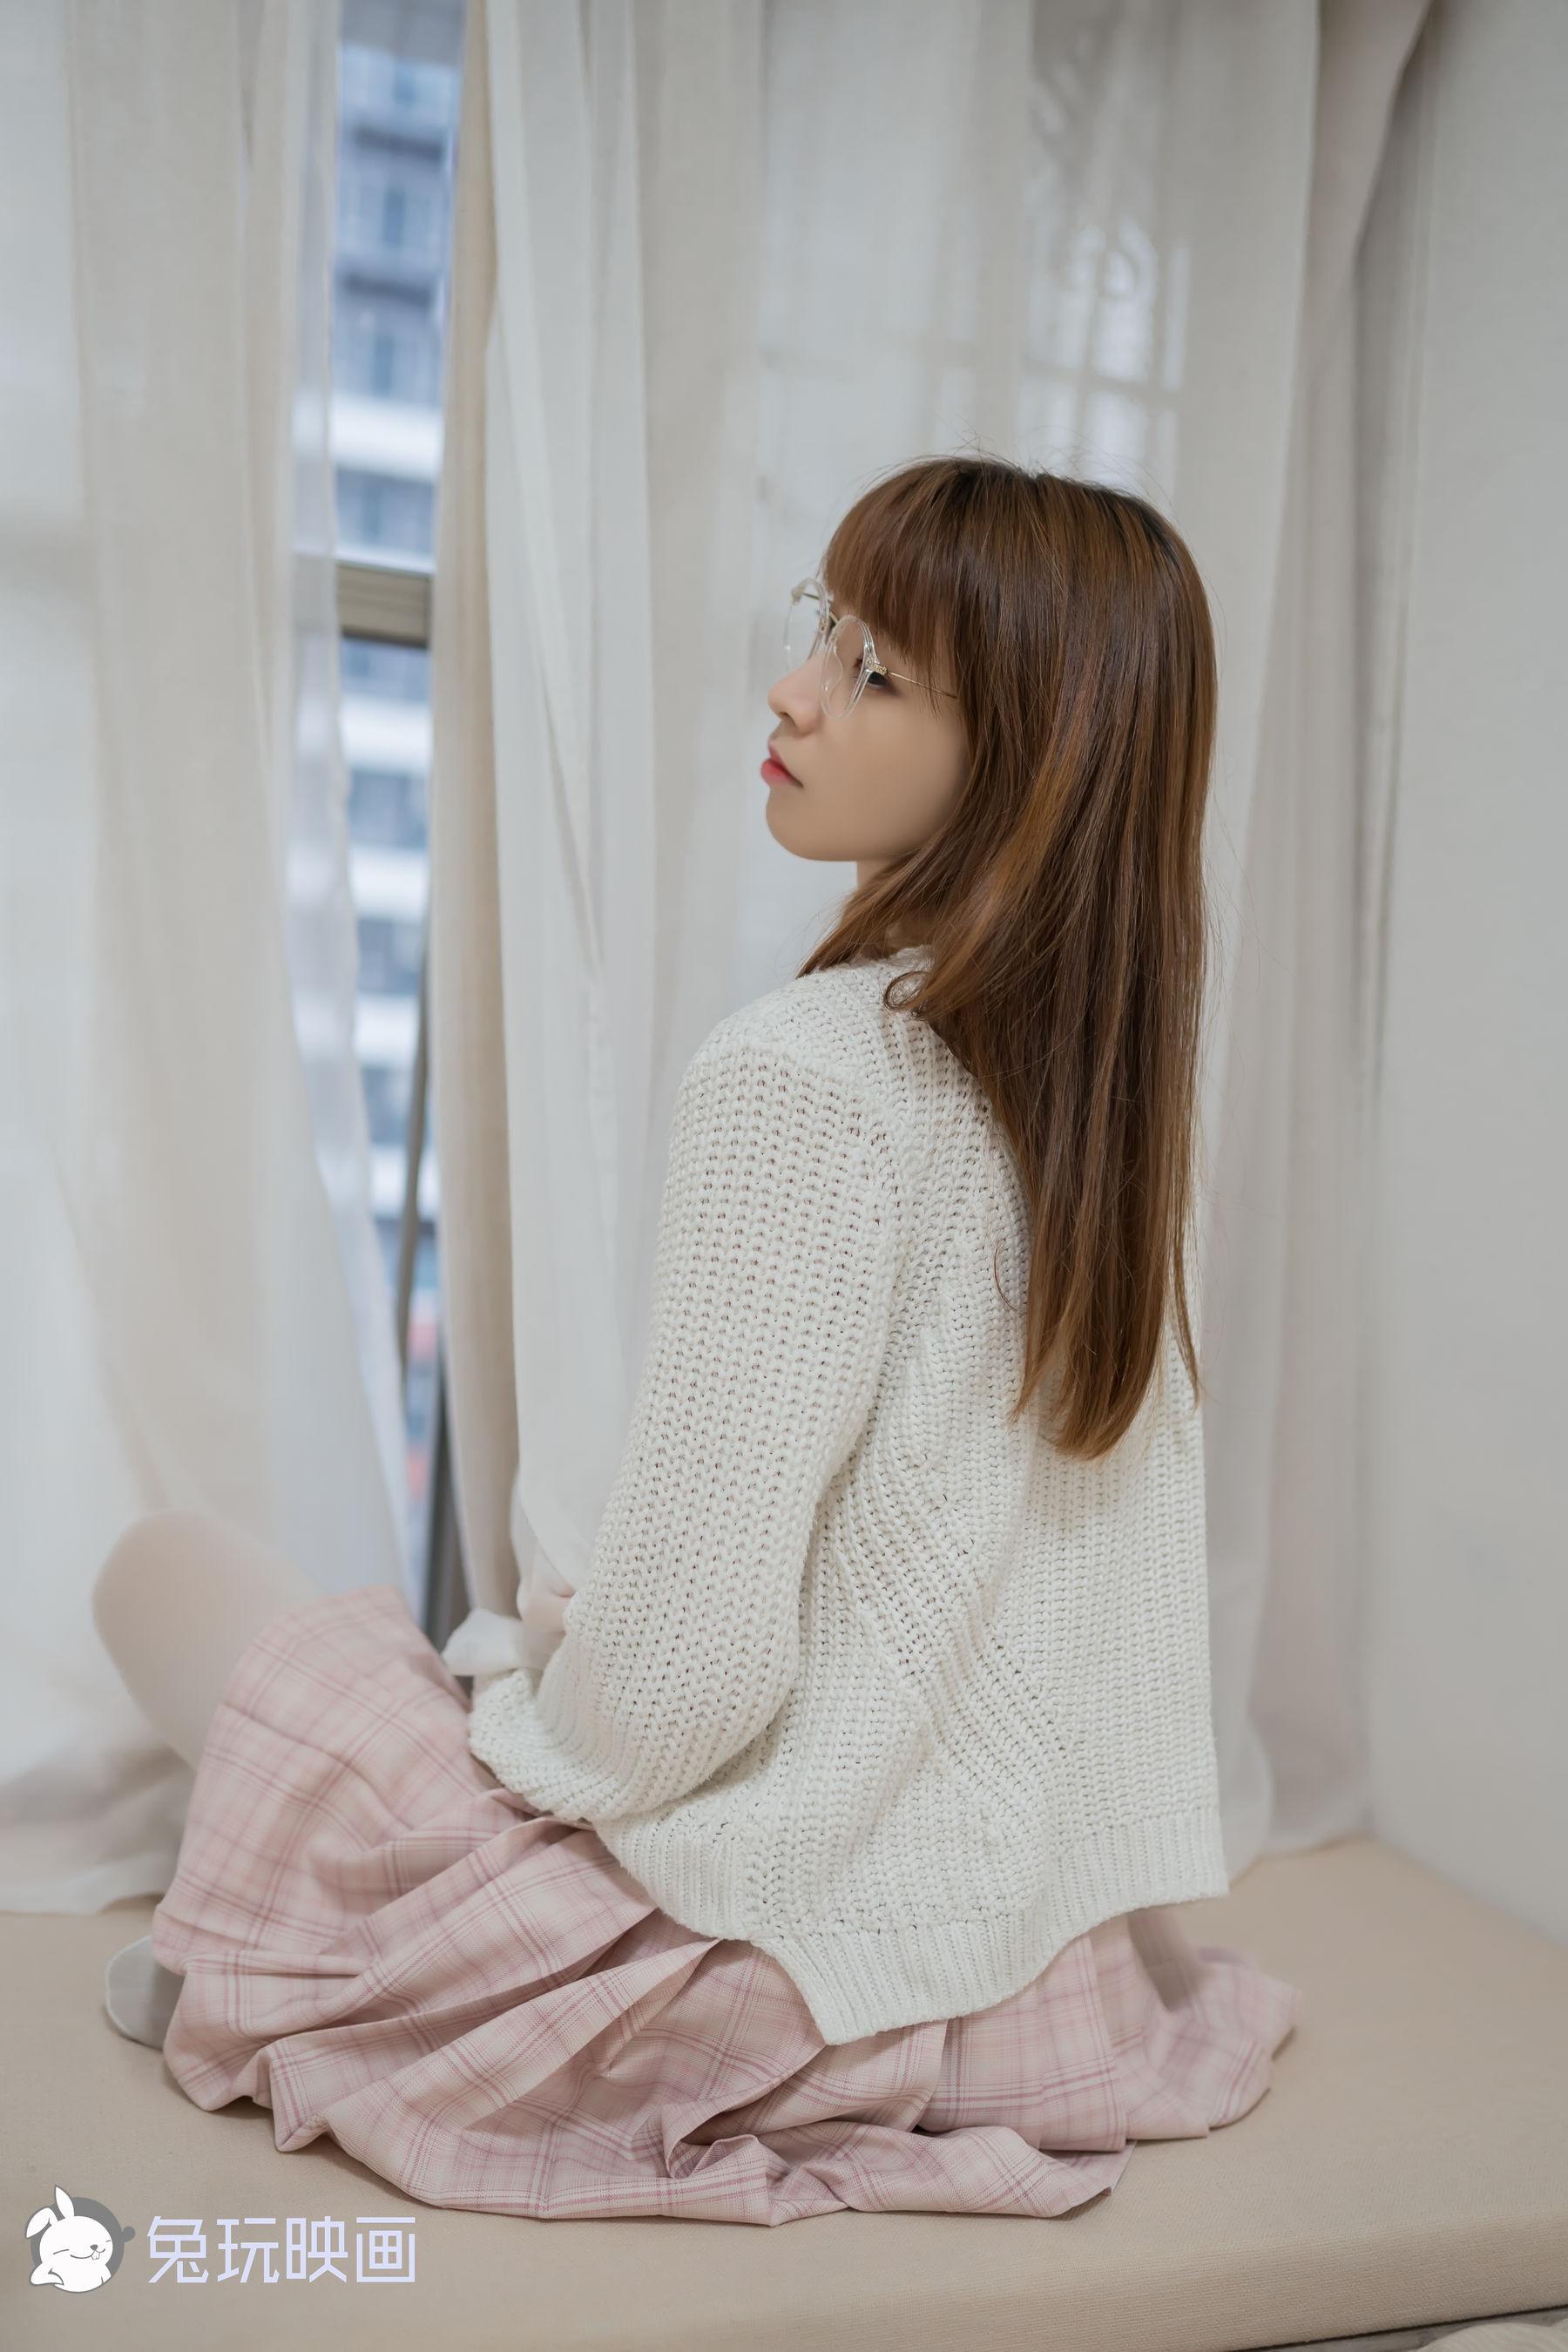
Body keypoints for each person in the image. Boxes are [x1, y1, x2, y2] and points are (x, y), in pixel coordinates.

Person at [94, 454, 1301, 2226]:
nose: (796, 691)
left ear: (1027, 760)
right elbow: (1016, 1625)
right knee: (508, 1643)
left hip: (746, 1979)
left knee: (164, 1572)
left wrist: (547, 1682)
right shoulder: (1121, 1125)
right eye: (826, 631)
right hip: (1047, 1983)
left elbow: (678, 1699)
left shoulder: (802, 1077)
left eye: (875, 672)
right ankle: (302, 1948)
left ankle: (315, 1971)